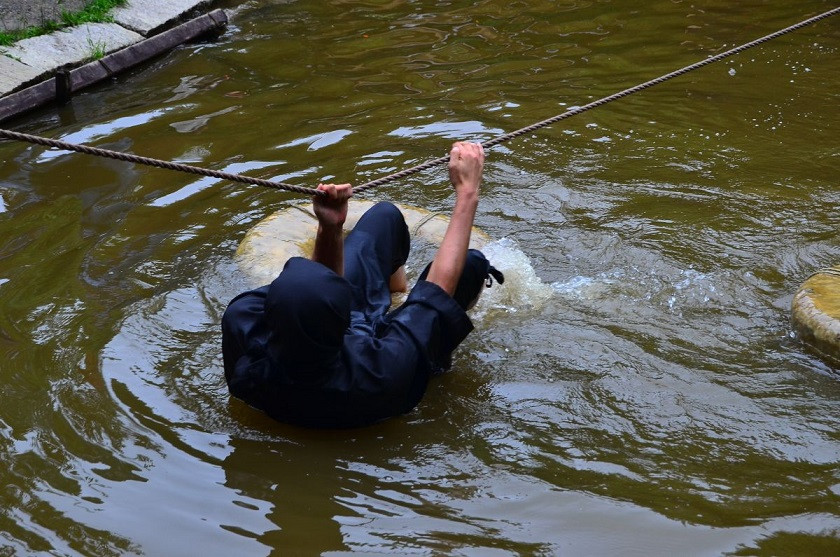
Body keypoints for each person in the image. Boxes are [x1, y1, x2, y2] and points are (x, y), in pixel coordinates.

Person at [221, 141, 503, 428]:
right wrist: (467, 192)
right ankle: (428, 347)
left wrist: (329, 227)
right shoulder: (384, 368)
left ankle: (395, 293)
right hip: (371, 366)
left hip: (314, 359)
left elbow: (310, 306)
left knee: (385, 216)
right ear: (341, 318)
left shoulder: (243, 322)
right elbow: (436, 291)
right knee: (471, 265)